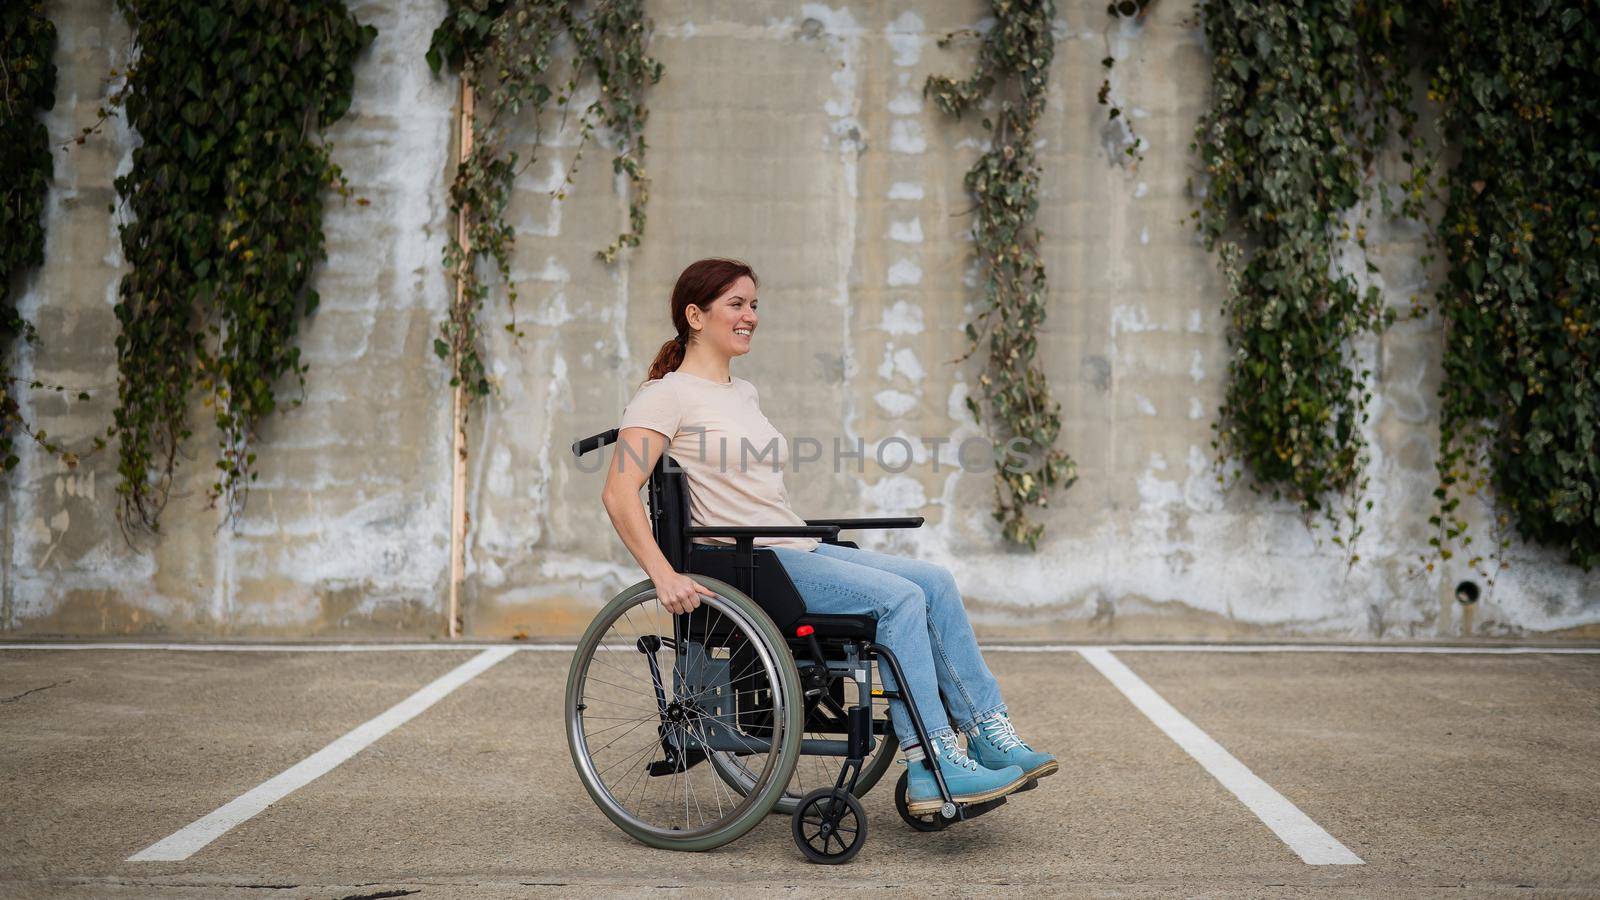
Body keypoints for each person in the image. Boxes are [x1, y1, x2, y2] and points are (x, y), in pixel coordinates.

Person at [599, 257, 1056, 814]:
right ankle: (931, 766)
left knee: (934, 581)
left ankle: (986, 732)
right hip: (748, 563)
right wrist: (662, 574)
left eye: (754, 304)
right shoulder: (663, 395)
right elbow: (619, 492)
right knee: (900, 602)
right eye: (736, 305)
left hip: (791, 548)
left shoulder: (742, 393)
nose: (750, 316)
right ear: (695, 315)